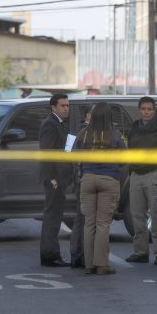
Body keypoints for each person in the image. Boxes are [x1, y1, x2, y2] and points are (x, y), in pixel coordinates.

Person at [73, 102, 125, 275]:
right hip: (109, 179)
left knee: (89, 223)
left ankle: (89, 265)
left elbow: (74, 155)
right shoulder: (115, 135)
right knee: (103, 224)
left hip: (87, 179)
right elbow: (124, 160)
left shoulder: (83, 133)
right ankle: (102, 265)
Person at [125, 96, 157, 265]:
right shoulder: (134, 128)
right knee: (137, 216)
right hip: (136, 175)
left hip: (155, 175)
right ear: (139, 110)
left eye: (150, 109)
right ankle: (141, 251)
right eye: (144, 109)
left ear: (154, 110)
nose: (147, 112)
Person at [38, 93, 73, 267]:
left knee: (55, 216)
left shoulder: (61, 123)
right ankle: (50, 255)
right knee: (52, 217)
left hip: (61, 177)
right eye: (62, 106)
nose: (66, 108)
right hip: (54, 179)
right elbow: (47, 153)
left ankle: (51, 253)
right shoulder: (50, 124)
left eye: (67, 105)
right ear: (53, 107)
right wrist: (52, 177)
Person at [70, 104, 94, 268]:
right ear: (87, 116)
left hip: (80, 179)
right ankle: (84, 257)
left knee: (80, 218)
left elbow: (70, 155)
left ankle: (76, 255)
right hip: (85, 178)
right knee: (87, 220)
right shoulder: (86, 132)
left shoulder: (77, 132)